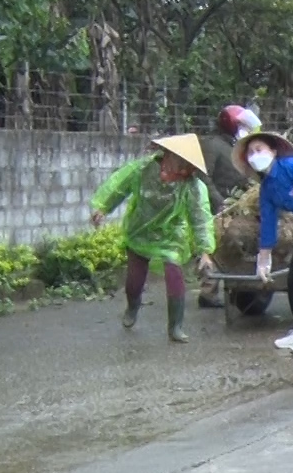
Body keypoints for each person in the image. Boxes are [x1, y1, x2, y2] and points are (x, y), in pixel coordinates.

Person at [90, 135, 216, 344]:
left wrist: (205, 251)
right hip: (140, 230)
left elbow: (200, 217)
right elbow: (119, 187)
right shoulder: (143, 169)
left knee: (174, 273)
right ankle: (132, 306)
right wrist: (103, 207)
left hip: (171, 234)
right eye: (181, 164)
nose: (184, 170)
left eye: (189, 167)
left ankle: (175, 326)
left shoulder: (192, 185)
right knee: (134, 280)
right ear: (168, 156)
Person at [235, 129, 293, 358]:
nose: (255, 156)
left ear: (273, 151)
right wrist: (263, 260)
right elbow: (268, 223)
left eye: (259, 150)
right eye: (251, 153)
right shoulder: (267, 188)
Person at [196, 105, 259, 309]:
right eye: (240, 125)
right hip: (217, 203)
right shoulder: (212, 145)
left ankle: (235, 285)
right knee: (212, 247)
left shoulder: (234, 145)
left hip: (234, 203)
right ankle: (207, 292)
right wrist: (216, 200)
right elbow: (203, 176)